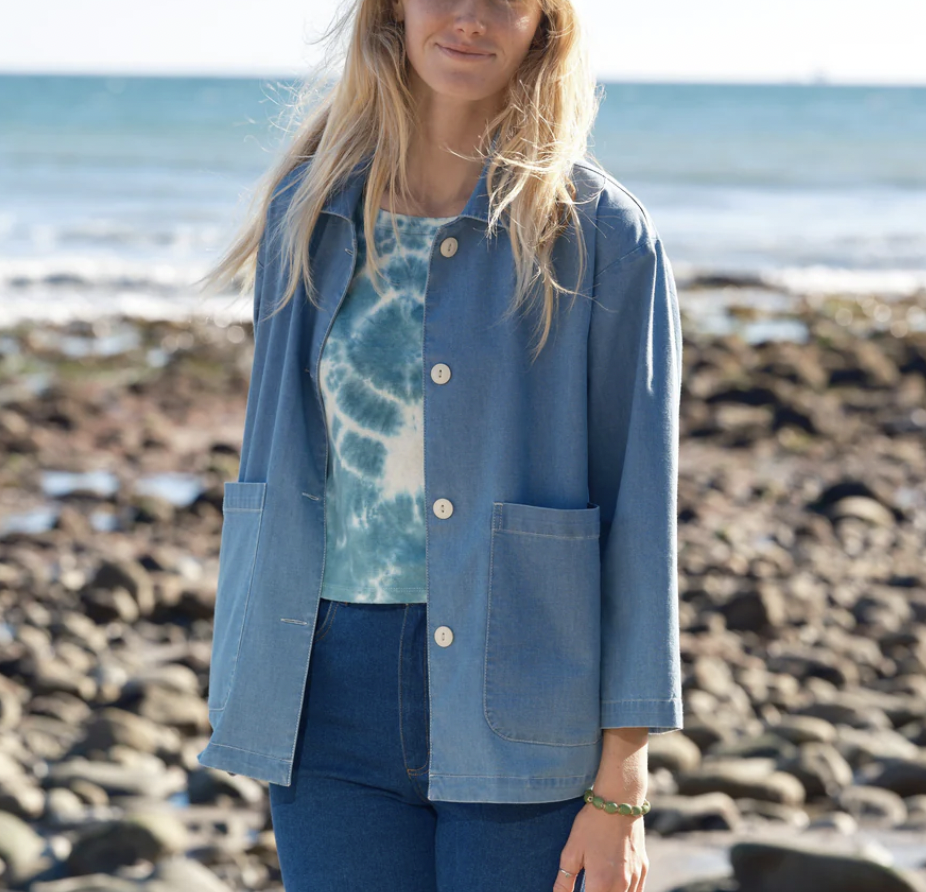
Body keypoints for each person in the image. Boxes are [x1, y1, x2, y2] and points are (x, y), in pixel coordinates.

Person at [195, 0, 684, 889]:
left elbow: (640, 516)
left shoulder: (602, 236)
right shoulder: (308, 212)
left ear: (545, 24)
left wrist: (622, 781)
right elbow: (274, 460)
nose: (470, 18)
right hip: (323, 691)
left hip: (527, 691)